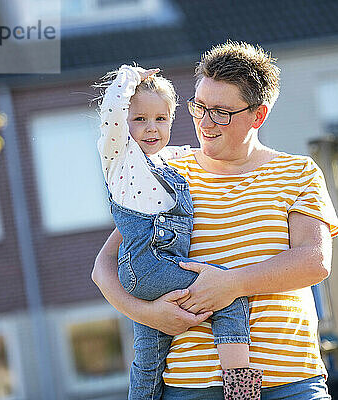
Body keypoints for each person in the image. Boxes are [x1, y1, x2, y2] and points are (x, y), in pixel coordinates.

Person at [92, 41, 338, 399]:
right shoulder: (166, 169)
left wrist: (231, 284)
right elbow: (104, 267)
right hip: (191, 387)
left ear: (258, 115)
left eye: (221, 112)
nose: (205, 122)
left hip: (291, 382)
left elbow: (314, 261)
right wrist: (149, 315)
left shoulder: (297, 172)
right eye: (199, 107)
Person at [94, 64, 262, 400]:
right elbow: (112, 110)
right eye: (139, 119)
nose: (151, 128)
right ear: (123, 126)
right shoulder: (121, 159)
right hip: (150, 266)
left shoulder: (167, 162)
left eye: (160, 119)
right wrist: (129, 77)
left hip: (151, 270)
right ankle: (243, 395)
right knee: (229, 296)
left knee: (149, 360)